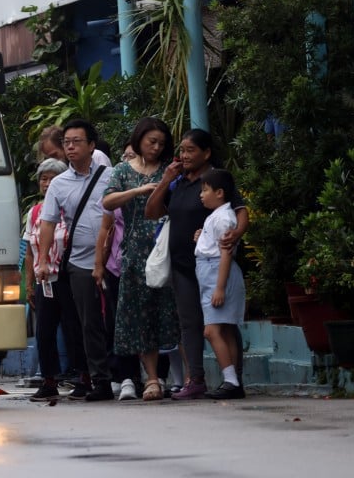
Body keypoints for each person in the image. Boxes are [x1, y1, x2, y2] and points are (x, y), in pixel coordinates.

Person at [145, 128, 249, 400]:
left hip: (214, 265)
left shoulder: (216, 179)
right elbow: (152, 211)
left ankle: (234, 379)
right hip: (183, 265)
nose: (184, 155)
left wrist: (236, 233)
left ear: (207, 153)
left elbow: (240, 211)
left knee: (223, 323)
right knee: (189, 323)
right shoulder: (178, 182)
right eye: (181, 150)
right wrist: (166, 180)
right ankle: (196, 379)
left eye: (191, 150)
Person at [102, 117, 181, 402]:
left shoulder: (169, 169)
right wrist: (138, 190)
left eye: (161, 143)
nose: (156, 147)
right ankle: (151, 378)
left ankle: (176, 377)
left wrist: (166, 181)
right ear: (139, 139)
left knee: (168, 313)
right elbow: (107, 202)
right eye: (152, 142)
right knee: (140, 315)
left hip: (166, 247)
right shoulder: (122, 170)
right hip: (135, 252)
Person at [37, 118, 114, 401]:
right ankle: (100, 381)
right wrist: (43, 261)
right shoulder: (58, 184)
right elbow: (47, 223)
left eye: (76, 141)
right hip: (81, 261)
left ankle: (132, 377)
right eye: (66, 142)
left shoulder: (110, 175)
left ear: (92, 145)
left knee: (117, 318)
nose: (70, 147)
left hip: (114, 258)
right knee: (89, 322)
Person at [23, 157, 83, 402]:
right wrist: (29, 284)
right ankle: (49, 381)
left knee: (74, 328)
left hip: (68, 276)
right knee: (44, 332)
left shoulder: (71, 209)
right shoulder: (35, 212)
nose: (47, 184)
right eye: (43, 179)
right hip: (43, 279)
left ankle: (84, 378)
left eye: (53, 179)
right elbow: (29, 251)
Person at [194, 168, 247, 399]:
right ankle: (233, 382)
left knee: (211, 331)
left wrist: (219, 287)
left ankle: (231, 380)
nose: (201, 195)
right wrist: (201, 238)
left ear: (220, 192)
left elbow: (225, 253)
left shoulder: (225, 217)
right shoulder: (216, 215)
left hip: (218, 272)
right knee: (225, 330)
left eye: (205, 190)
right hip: (210, 271)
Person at [96, 141, 142, 401]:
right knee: (118, 322)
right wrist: (99, 264)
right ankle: (125, 377)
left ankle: (154, 377)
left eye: (132, 155)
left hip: (147, 263)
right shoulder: (117, 184)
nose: (127, 160)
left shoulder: (155, 181)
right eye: (124, 155)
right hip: (117, 265)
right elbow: (105, 227)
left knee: (145, 321)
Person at [39, 124, 112, 170]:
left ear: (63, 145)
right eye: (48, 158)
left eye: (54, 155)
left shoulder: (96, 157)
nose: (52, 161)